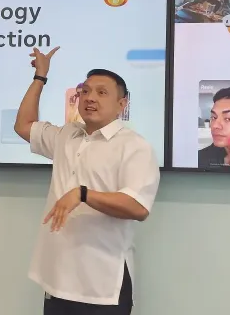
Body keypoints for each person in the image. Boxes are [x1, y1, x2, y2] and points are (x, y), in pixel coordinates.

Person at [14, 47, 160, 315]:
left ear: (122, 104)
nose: (90, 98)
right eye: (85, 91)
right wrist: (40, 77)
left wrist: (82, 194)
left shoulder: (134, 146)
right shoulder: (67, 136)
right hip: (57, 279)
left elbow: (138, 207)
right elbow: (24, 125)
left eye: (102, 93)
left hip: (103, 286)